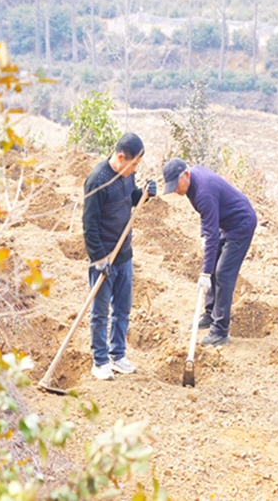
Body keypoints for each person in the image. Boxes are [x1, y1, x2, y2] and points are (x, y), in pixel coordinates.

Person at [82, 133, 156, 380]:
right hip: (104, 257)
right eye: (134, 164)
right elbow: (89, 225)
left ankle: (117, 355)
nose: (136, 169)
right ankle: (100, 361)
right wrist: (99, 258)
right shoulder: (98, 181)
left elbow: (130, 198)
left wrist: (144, 193)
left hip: (124, 253)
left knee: (122, 308)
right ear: (121, 157)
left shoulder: (128, 175)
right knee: (100, 312)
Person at [162, 158, 257, 347]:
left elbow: (212, 232)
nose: (175, 190)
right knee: (213, 265)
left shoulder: (203, 192)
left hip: (241, 224)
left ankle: (220, 330)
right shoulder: (192, 183)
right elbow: (207, 220)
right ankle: (210, 314)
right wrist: (203, 238)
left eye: (175, 185)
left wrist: (205, 273)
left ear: (186, 175)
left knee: (223, 273)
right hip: (226, 223)